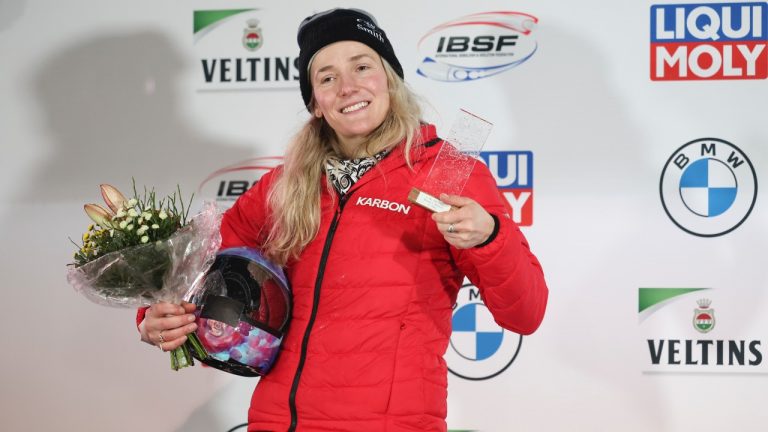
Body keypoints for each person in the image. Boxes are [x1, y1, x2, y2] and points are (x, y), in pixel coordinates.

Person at [137, 8, 548, 432]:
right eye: (327, 78)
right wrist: (157, 314)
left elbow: (527, 312)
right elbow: (192, 267)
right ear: (315, 103)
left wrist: (490, 237)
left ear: (389, 78)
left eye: (362, 66)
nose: (348, 87)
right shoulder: (285, 184)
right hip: (280, 422)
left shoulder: (446, 171)